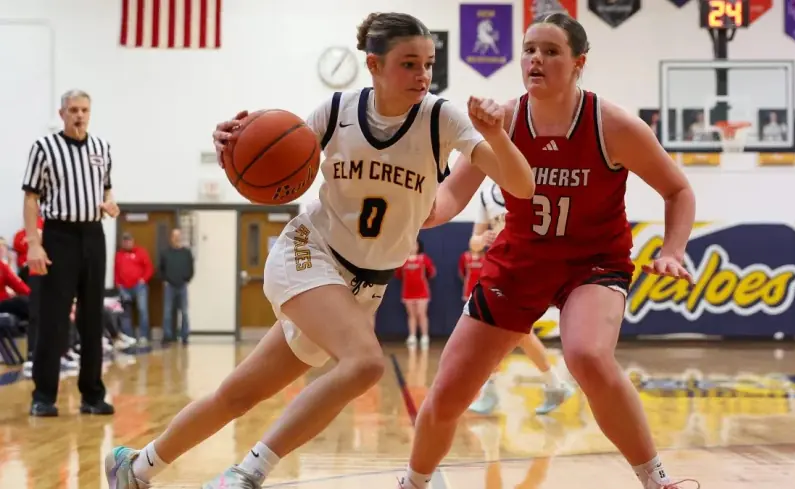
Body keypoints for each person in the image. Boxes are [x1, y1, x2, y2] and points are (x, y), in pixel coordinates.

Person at [104, 11, 534, 489]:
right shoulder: (337, 110)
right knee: (366, 363)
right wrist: (233, 144)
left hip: (363, 288)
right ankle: (246, 474)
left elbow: (522, 185)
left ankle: (136, 467)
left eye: (428, 64)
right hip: (310, 253)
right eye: (409, 64)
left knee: (239, 393)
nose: (423, 75)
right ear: (373, 64)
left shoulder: (441, 118)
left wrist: (495, 133)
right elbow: (272, 150)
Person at [398, 13, 698, 489]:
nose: (535, 59)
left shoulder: (613, 125)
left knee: (587, 355)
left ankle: (656, 480)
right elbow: (451, 195)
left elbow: (677, 190)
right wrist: (411, 213)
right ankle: (413, 482)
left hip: (594, 261)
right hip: (520, 259)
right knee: (451, 390)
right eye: (529, 50)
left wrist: (674, 250)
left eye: (551, 51)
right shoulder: (504, 121)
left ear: (579, 63)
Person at [22, 89, 119, 417]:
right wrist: (34, 243)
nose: (80, 115)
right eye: (74, 109)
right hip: (58, 235)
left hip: (93, 234)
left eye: (85, 109)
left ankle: (92, 395)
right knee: (53, 318)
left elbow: (106, 186)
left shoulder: (101, 148)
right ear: (62, 113)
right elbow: (31, 198)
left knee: (93, 318)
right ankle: (44, 396)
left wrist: (110, 202)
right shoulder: (43, 148)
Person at [466, 176, 574, 416]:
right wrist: (481, 240)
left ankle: (495, 388)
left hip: (529, 266)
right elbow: (473, 242)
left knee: (504, 329)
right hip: (500, 268)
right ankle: (553, 385)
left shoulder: (528, 186)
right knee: (514, 332)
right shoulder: (486, 196)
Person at [395, 238, 436, 348]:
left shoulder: (424, 259)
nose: (413, 247)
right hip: (408, 292)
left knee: (421, 314)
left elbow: (432, 272)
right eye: (411, 245)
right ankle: (412, 336)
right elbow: (398, 274)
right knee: (411, 315)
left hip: (422, 292)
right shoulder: (403, 260)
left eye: (415, 245)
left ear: (418, 246)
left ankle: (424, 336)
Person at [159, 228, 195, 345]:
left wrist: (187, 278)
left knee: (184, 312)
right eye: (174, 236)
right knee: (167, 312)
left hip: (182, 285)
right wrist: (164, 280)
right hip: (169, 286)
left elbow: (191, 268)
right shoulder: (165, 253)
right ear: (171, 238)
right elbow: (161, 269)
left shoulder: (186, 253)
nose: (176, 238)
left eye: (178, 236)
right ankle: (167, 336)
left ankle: (185, 336)